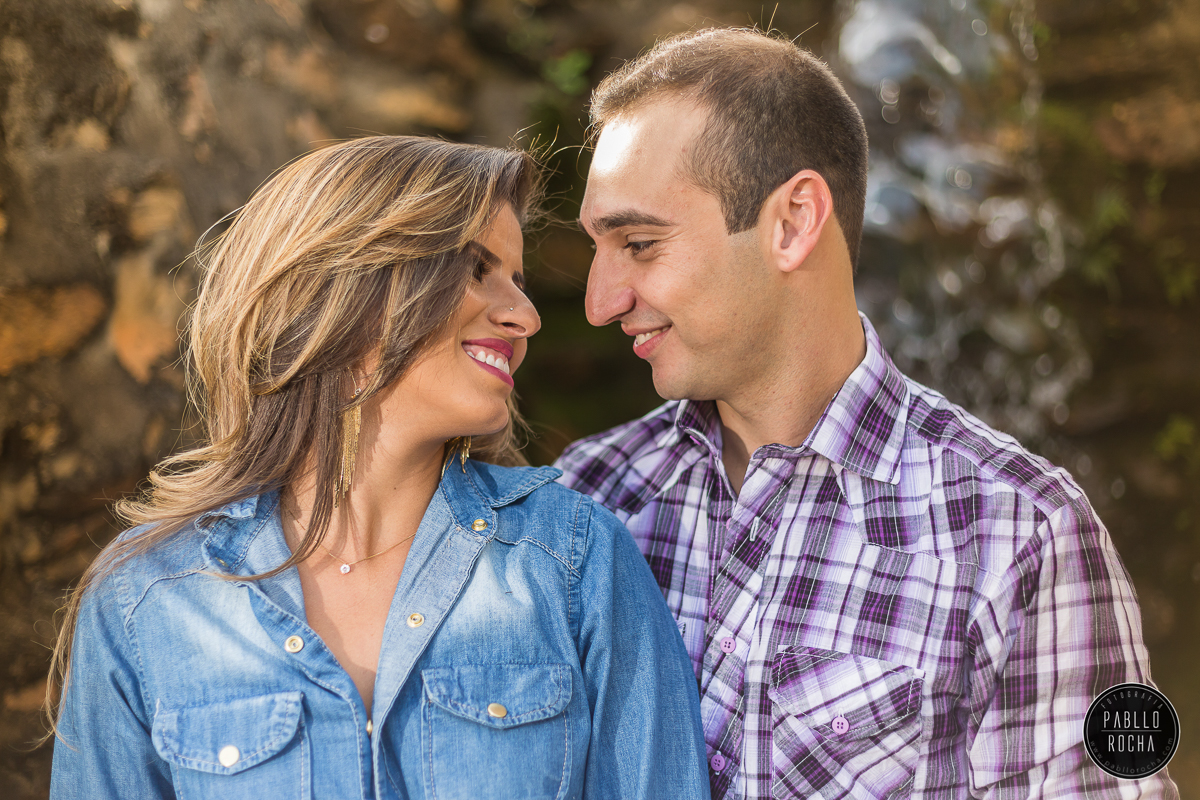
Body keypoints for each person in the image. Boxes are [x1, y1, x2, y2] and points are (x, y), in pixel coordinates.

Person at [556, 27, 1178, 800]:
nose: (599, 302)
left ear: (793, 222)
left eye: (640, 243)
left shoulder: (1021, 533)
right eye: (598, 248)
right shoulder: (585, 497)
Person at [48, 136, 709, 800]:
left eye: (518, 280)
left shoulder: (575, 560)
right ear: (344, 289)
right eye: (476, 269)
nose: (526, 317)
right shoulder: (146, 597)